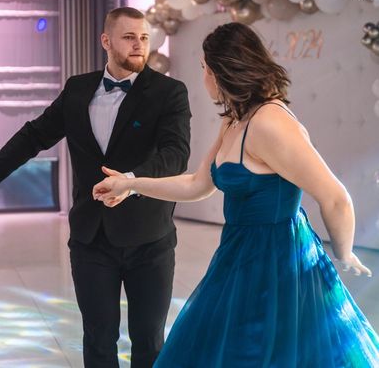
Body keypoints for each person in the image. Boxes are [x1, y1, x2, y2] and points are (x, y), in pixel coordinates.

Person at [93, 22, 379, 367]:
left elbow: (335, 197)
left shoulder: (270, 123)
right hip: (239, 254)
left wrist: (344, 254)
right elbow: (197, 184)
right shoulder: (234, 120)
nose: (203, 77)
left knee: (267, 351)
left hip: (278, 262)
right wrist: (131, 183)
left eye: (204, 68)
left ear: (221, 71)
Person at [0, 7, 191, 367]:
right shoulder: (78, 89)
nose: (139, 45)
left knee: (148, 340)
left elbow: (175, 154)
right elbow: (34, 136)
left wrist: (130, 182)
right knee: (98, 339)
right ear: (106, 41)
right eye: (129, 37)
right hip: (91, 237)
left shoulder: (169, 92)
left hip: (149, 238)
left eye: (144, 38)